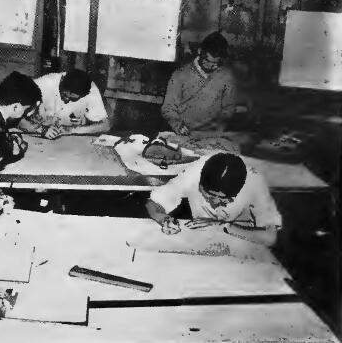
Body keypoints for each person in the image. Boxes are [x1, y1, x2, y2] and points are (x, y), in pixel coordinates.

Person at [144, 153, 282, 246]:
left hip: (244, 244)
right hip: (201, 241)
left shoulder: (255, 181)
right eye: (208, 195)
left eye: (223, 200)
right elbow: (154, 203)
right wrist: (164, 219)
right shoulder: (195, 172)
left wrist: (224, 227)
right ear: (200, 184)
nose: (214, 203)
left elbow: (270, 237)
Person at [161, 31, 237, 135]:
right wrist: (178, 125)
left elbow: (229, 108)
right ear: (200, 51)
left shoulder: (226, 77)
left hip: (212, 137)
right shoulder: (180, 75)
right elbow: (168, 108)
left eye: (216, 63)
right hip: (184, 134)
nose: (212, 66)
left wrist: (218, 127)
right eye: (208, 61)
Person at [20, 69, 110, 139]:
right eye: (63, 95)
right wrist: (41, 129)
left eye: (73, 99)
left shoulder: (91, 90)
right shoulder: (43, 84)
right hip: (35, 135)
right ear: (62, 80)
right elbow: (12, 116)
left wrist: (73, 130)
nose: (66, 101)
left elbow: (105, 125)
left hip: (70, 142)